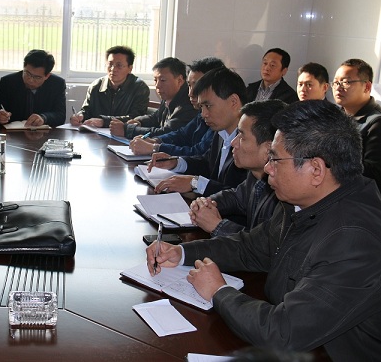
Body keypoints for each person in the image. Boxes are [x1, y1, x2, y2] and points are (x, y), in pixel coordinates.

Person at [146, 100, 381, 361]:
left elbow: (284, 332)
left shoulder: (356, 239)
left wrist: (219, 291)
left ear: (316, 170)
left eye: (275, 159)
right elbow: (250, 248)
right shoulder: (302, 201)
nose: (268, 169)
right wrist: (181, 253)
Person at [188, 100, 289, 236]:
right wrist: (206, 204)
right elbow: (235, 197)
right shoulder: (256, 176)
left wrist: (217, 226)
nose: (233, 143)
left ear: (268, 149)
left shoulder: (284, 195)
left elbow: (261, 244)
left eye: (242, 137)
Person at [148, 67, 248, 196]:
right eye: (201, 107)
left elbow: (242, 197)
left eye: (208, 106)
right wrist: (176, 162)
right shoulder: (222, 132)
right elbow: (207, 164)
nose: (203, 114)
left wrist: (195, 183)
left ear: (233, 102)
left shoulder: (252, 141)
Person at [129, 56, 223, 156]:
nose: (190, 93)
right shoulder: (201, 112)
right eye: (189, 85)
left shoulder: (212, 115)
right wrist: (156, 140)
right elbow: (182, 135)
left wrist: (155, 148)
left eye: (197, 86)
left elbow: (198, 153)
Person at [110, 57, 195, 139]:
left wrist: (127, 130)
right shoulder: (169, 96)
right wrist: (139, 121)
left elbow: (167, 133)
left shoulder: (189, 104)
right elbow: (156, 117)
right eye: (155, 80)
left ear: (179, 80)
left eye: (162, 80)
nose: (157, 85)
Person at [332, 58, 381, 191]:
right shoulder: (333, 116)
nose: (338, 87)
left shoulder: (375, 123)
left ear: (367, 86)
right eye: (336, 82)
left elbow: (374, 173)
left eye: (346, 82)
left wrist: (332, 158)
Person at [69, 45, 149, 127]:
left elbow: (136, 119)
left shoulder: (140, 88)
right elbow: (87, 111)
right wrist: (80, 116)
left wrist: (104, 122)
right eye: (110, 64)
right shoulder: (96, 86)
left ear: (130, 68)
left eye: (119, 65)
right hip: (95, 133)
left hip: (124, 134)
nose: (113, 69)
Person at [0, 49, 66, 127]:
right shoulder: (8, 82)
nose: (30, 80)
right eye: (27, 74)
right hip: (13, 132)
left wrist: (43, 118)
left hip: (44, 132)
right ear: (24, 67)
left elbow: (60, 115)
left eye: (37, 77)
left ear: (47, 76)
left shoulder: (57, 84)